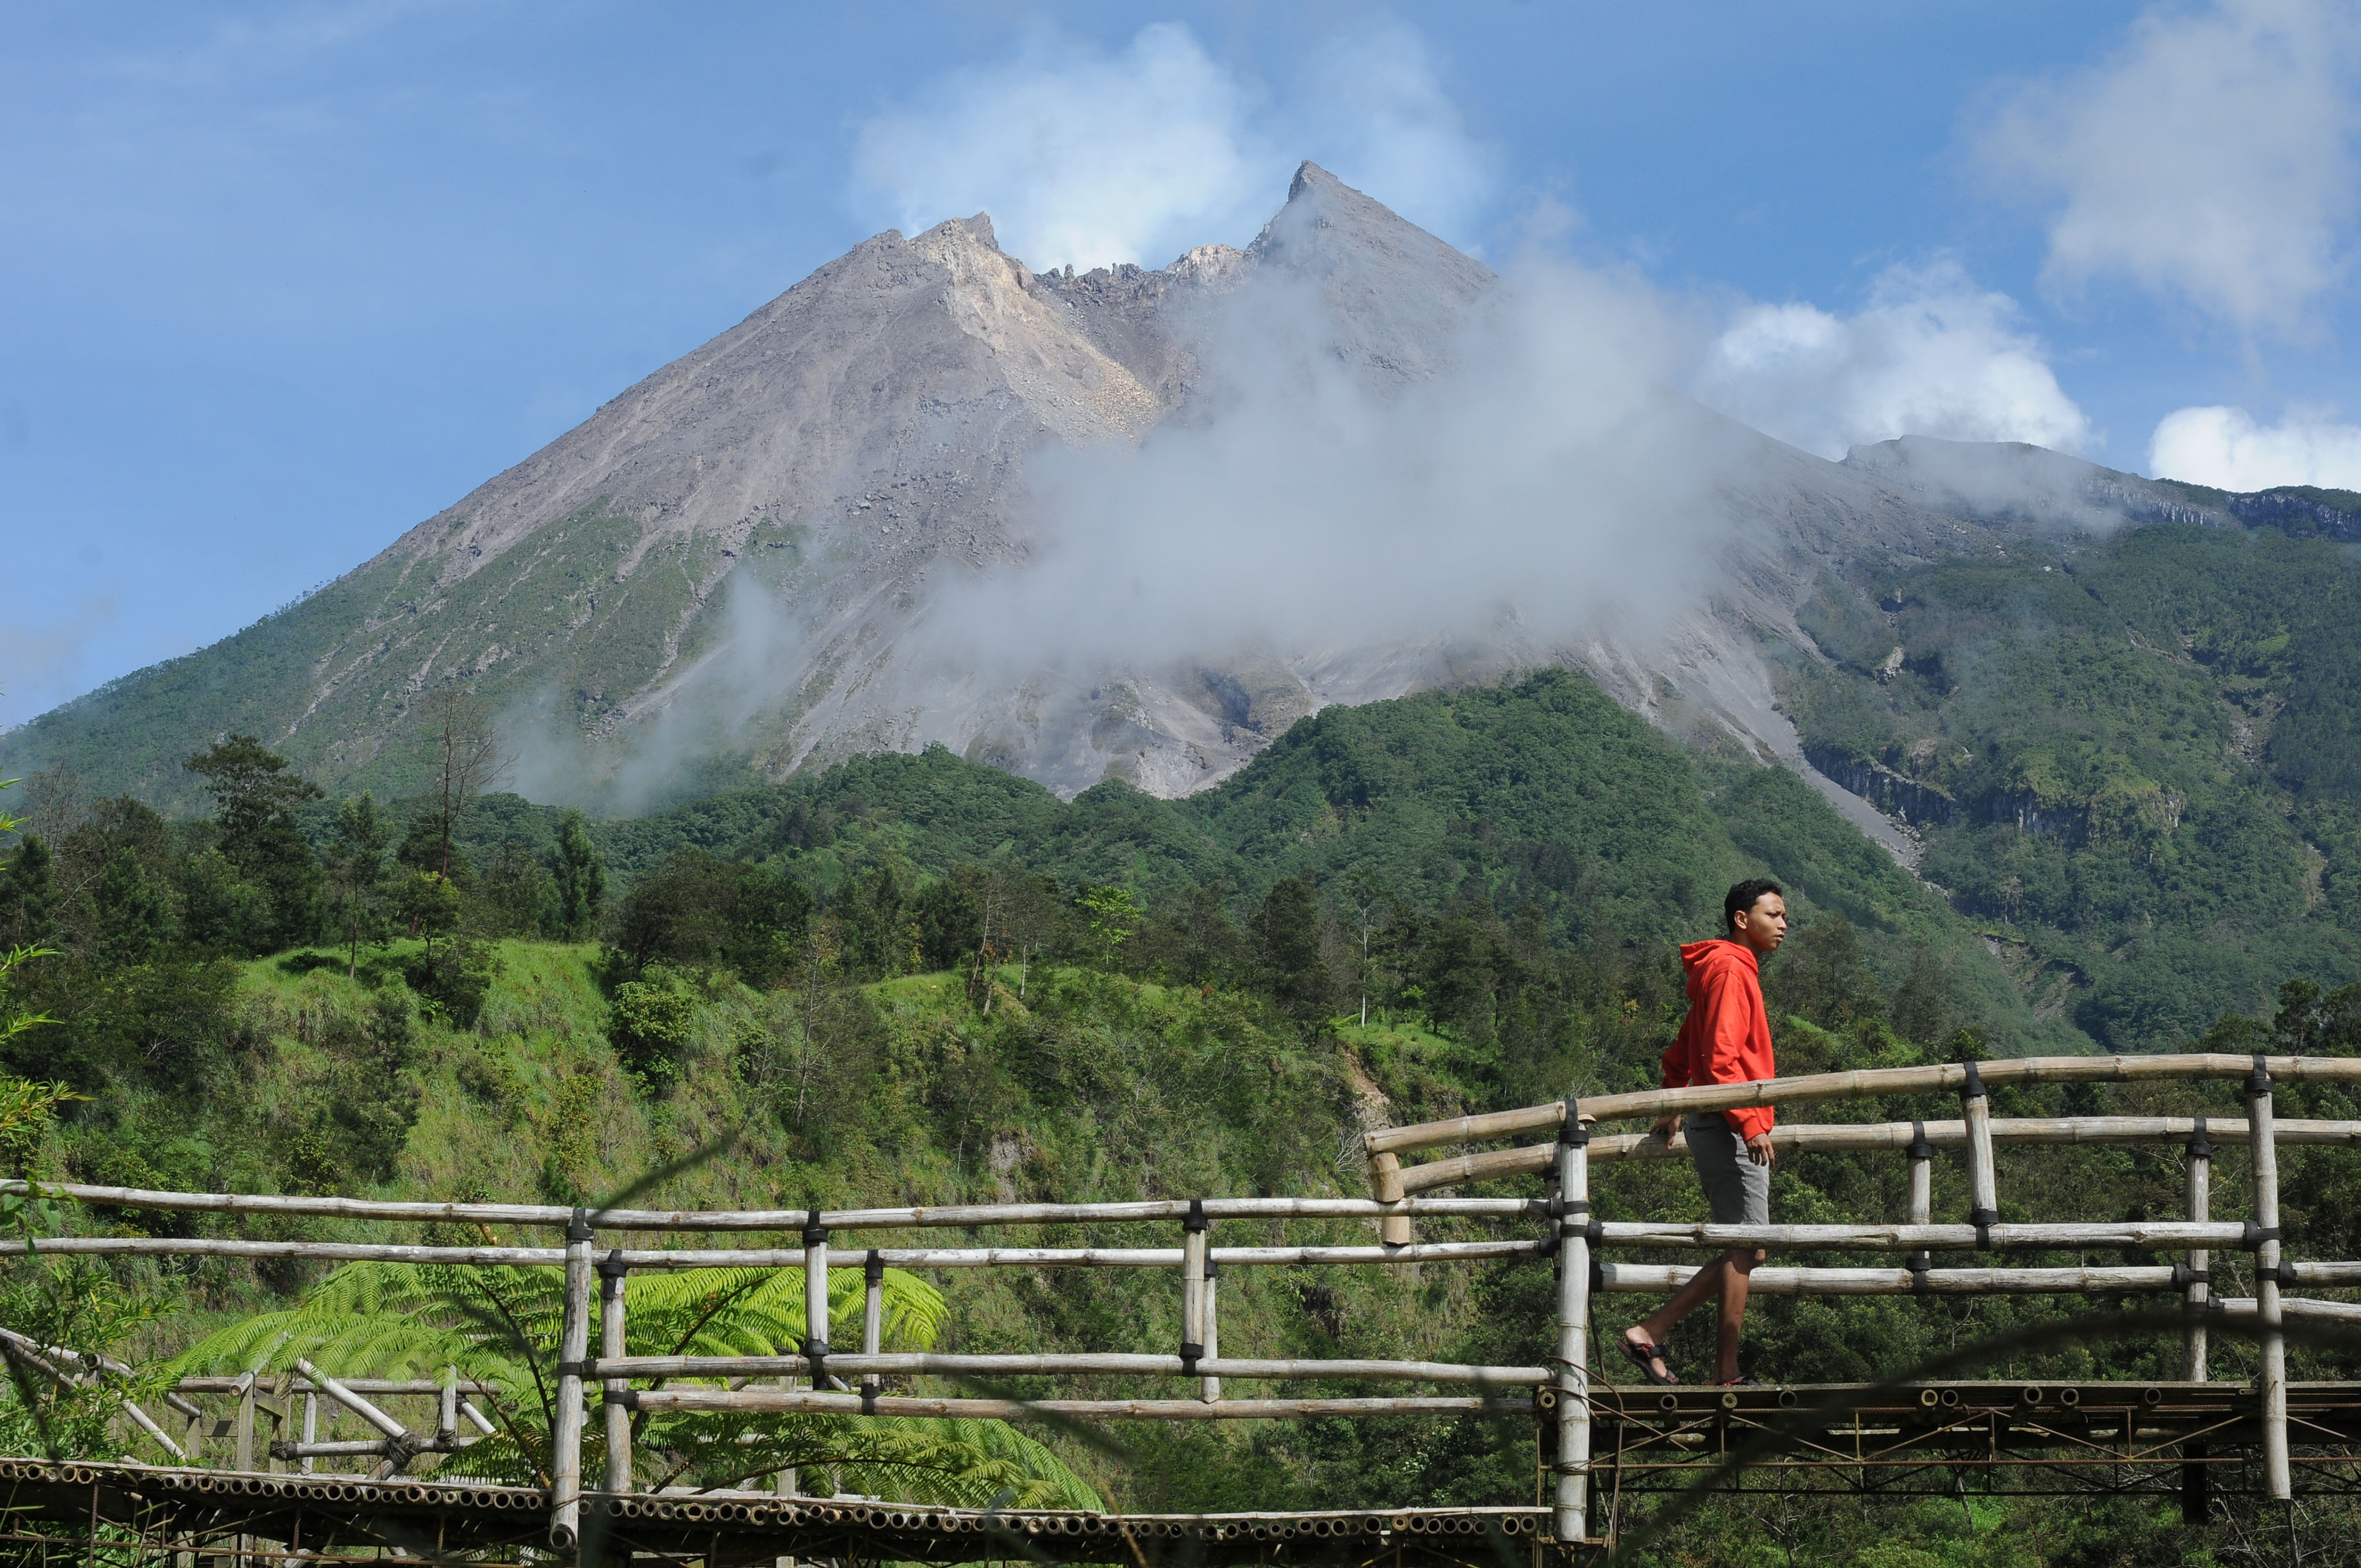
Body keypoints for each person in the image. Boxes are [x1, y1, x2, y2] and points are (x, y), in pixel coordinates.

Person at [1620, 878, 1787, 1387]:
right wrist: (1751, 1121)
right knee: (1746, 1247)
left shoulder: (1720, 968)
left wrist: (1673, 1101)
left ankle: (1651, 1330)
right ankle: (1724, 1372)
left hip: (1716, 1120)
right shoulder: (1733, 969)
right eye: (1774, 914)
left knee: (1749, 1248)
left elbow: (1684, 1047)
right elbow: (1719, 1060)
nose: (1783, 925)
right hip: (1727, 1124)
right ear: (1743, 919)